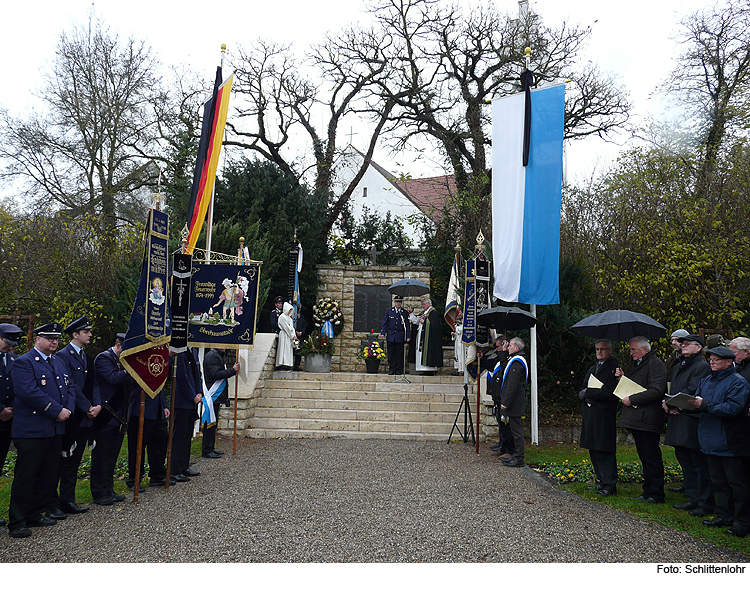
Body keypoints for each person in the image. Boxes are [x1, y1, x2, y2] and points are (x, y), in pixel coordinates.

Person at [7, 322, 72, 539]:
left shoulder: (59, 362)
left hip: (54, 429)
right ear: (37, 339)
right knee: (26, 476)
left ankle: (35, 513)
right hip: (32, 430)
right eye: (50, 338)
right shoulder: (24, 362)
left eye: (56, 339)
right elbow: (28, 392)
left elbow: (69, 387)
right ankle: (17, 521)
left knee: (47, 475)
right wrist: (56, 411)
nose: (54, 342)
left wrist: (68, 409)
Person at [689, 346, 750, 537]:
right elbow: (697, 402)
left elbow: (734, 408)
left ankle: (742, 523)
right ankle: (723, 515)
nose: (712, 362)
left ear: (729, 362)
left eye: (716, 359)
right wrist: (682, 405)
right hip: (709, 439)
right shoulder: (706, 380)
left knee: (738, 485)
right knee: (718, 483)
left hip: (730, 442)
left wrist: (705, 405)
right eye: (711, 359)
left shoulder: (738, 382)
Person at [662, 334, 713, 516]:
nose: (682, 346)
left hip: (690, 420)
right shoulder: (680, 365)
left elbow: (692, 390)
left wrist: (673, 403)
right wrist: (667, 403)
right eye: (681, 343)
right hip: (677, 417)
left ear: (698, 348)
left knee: (696, 463)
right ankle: (691, 495)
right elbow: (673, 388)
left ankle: (700, 499)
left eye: (687, 344)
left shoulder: (701, 367)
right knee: (685, 460)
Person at [55, 316, 99, 515]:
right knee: (66, 460)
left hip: (87, 415)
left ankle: (67, 499)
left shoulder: (86, 357)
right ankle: (59, 500)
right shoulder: (63, 356)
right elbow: (70, 384)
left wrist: (97, 405)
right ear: (75, 334)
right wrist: (87, 406)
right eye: (86, 332)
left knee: (75, 460)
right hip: (74, 415)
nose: (90, 334)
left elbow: (94, 383)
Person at [615, 336, 668, 503]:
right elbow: (639, 385)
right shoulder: (641, 364)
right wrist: (622, 380)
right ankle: (648, 491)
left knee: (651, 457)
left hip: (648, 419)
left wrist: (633, 399)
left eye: (633, 349)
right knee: (645, 456)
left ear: (644, 349)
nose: (630, 353)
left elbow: (657, 390)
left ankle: (656, 493)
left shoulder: (655, 364)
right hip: (640, 419)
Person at [90, 333, 132, 506]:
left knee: (112, 456)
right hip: (106, 415)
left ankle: (109, 489)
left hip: (119, 416)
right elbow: (113, 378)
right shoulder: (103, 359)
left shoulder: (122, 361)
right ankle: (99, 492)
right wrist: (133, 369)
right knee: (101, 456)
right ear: (119, 346)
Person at [578, 339, 620, 496]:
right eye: (597, 349)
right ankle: (601, 480)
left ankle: (610, 484)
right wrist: (584, 394)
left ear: (610, 351)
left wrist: (588, 394)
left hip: (604, 414)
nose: (599, 352)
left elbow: (609, 392)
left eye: (603, 349)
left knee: (605, 450)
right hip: (591, 413)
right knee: (594, 449)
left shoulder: (614, 369)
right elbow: (583, 387)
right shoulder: (593, 368)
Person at [127, 383, 172, 489]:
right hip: (140, 406)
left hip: (157, 407)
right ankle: (135, 479)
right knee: (138, 446)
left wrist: (164, 405)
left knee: (160, 441)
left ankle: (158, 475)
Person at [0, 324, 23, 529]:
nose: (11, 347)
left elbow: (20, 387)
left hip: (9, 422)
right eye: (7, 342)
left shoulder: (14, 360)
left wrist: (12, 409)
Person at [478, 335, 514, 458]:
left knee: (506, 424)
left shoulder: (510, 358)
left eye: (498, 346)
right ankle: (503, 446)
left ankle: (509, 450)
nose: (497, 349)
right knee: (500, 422)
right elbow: (493, 367)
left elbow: (504, 370)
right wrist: (482, 359)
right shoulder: (501, 357)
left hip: (504, 396)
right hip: (497, 395)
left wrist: (503, 352)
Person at [201, 347, 239, 458]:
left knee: (213, 423)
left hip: (216, 396)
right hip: (212, 395)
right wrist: (233, 370)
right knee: (209, 424)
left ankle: (210, 447)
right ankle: (207, 450)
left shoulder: (216, 355)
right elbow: (215, 374)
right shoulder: (212, 356)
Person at [171, 348, 202, 480]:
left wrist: (199, 391)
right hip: (182, 401)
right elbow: (181, 376)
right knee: (178, 436)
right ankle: (174, 469)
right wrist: (192, 396)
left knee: (187, 436)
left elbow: (197, 373)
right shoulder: (179, 352)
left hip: (192, 401)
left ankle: (184, 466)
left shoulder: (193, 351)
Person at [497, 337, 528, 467]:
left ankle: (519, 457)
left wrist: (506, 402)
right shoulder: (513, 361)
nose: (508, 347)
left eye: (510, 345)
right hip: (513, 402)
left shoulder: (517, 362)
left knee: (517, 431)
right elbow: (504, 369)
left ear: (517, 348)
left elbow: (512, 385)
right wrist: (503, 352)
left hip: (514, 402)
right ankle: (516, 455)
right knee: (513, 429)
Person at [409, 297, 443, 375]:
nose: (423, 306)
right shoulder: (423, 313)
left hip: (430, 338)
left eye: (424, 304)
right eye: (422, 304)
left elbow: (434, 325)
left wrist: (425, 322)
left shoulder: (433, 312)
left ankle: (430, 370)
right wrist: (411, 313)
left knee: (428, 352)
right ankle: (424, 369)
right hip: (422, 335)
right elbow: (416, 321)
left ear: (429, 304)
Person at [380, 295, 410, 375]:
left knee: (399, 354)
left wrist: (408, 336)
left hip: (400, 336)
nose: (398, 304)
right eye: (397, 302)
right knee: (391, 353)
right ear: (394, 302)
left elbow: (407, 325)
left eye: (400, 302)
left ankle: (399, 369)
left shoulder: (404, 313)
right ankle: (392, 368)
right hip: (391, 336)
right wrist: (383, 332)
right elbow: (385, 322)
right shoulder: (389, 311)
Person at [275, 302, 295, 371]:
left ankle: (288, 364)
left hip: (289, 336)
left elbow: (292, 328)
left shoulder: (290, 318)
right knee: (283, 349)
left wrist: (294, 335)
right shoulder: (282, 317)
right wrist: (292, 335)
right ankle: (281, 364)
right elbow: (286, 327)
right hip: (284, 334)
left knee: (288, 350)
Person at [452, 309, 466, 375]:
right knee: (457, 355)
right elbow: (457, 332)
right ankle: (458, 369)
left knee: (461, 355)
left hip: (462, 342)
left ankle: (462, 370)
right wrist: (454, 334)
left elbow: (461, 330)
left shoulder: (464, 324)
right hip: (457, 341)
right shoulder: (459, 325)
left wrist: (456, 328)